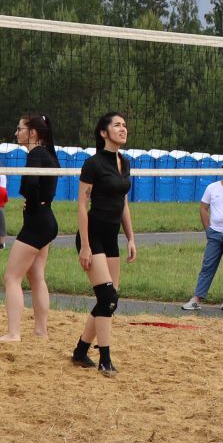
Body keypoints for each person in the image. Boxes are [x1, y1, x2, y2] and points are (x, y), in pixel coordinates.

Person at [73, 112, 136, 375]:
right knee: (107, 296)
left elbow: (123, 203)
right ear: (103, 132)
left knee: (109, 299)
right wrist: (85, 246)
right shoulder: (93, 163)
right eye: (117, 125)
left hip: (111, 238)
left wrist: (131, 238)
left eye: (124, 125)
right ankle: (105, 359)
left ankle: (79, 352)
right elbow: (81, 205)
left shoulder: (125, 162)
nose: (123, 129)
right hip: (93, 235)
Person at [0, 113, 58, 343]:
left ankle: (14, 333)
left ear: (32, 133)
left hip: (36, 222)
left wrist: (32, 202)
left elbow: (31, 184)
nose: (16, 133)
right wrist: (37, 201)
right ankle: (41, 331)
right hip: (47, 220)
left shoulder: (36, 154)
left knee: (11, 277)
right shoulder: (49, 154)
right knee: (36, 277)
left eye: (20, 128)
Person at [181, 159, 223, 310]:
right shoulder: (212, 188)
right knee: (207, 266)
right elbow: (203, 208)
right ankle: (197, 299)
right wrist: (208, 229)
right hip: (215, 233)